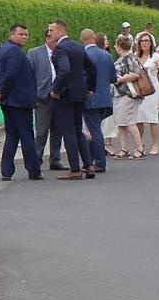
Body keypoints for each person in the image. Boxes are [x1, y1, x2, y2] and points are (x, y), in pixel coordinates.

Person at [47, 20, 96, 180]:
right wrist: (89, 87)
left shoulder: (60, 49)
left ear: (61, 32)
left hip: (65, 96)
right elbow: (91, 68)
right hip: (79, 94)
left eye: (52, 30)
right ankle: (88, 165)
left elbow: (65, 69)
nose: (49, 33)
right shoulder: (77, 46)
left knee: (68, 132)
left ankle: (75, 169)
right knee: (78, 130)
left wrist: (55, 90)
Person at [0, 23, 41, 181]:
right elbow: (10, 75)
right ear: (11, 34)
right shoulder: (14, 51)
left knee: (12, 135)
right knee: (26, 136)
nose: (24, 37)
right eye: (21, 34)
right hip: (18, 100)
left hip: (9, 100)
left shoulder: (5, 49)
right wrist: (3, 92)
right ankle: (33, 169)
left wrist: (2, 94)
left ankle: (6, 170)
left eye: (26, 34)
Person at [81, 29, 115, 173]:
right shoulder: (106, 55)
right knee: (95, 129)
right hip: (105, 98)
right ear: (94, 38)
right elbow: (113, 77)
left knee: (94, 131)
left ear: (81, 40)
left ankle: (99, 162)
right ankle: (90, 160)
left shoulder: (84, 55)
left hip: (90, 98)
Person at [28, 27, 61, 171]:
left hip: (60, 97)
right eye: (54, 40)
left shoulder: (62, 52)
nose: (57, 42)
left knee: (57, 131)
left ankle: (55, 159)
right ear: (47, 38)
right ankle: (37, 160)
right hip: (42, 97)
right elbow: (28, 75)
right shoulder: (34, 53)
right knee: (41, 131)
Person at [111, 36, 146, 159]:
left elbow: (135, 74)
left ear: (119, 46)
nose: (114, 47)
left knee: (130, 121)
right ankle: (124, 148)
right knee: (121, 122)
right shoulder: (123, 58)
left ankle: (140, 148)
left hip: (128, 93)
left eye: (115, 44)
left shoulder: (130, 57)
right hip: (120, 93)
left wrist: (120, 79)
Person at [134, 32, 159, 154]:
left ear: (151, 43)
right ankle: (140, 144)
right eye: (142, 41)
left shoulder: (156, 56)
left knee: (152, 116)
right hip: (139, 88)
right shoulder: (135, 56)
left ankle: (155, 145)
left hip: (152, 89)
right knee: (138, 116)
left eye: (147, 41)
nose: (144, 43)